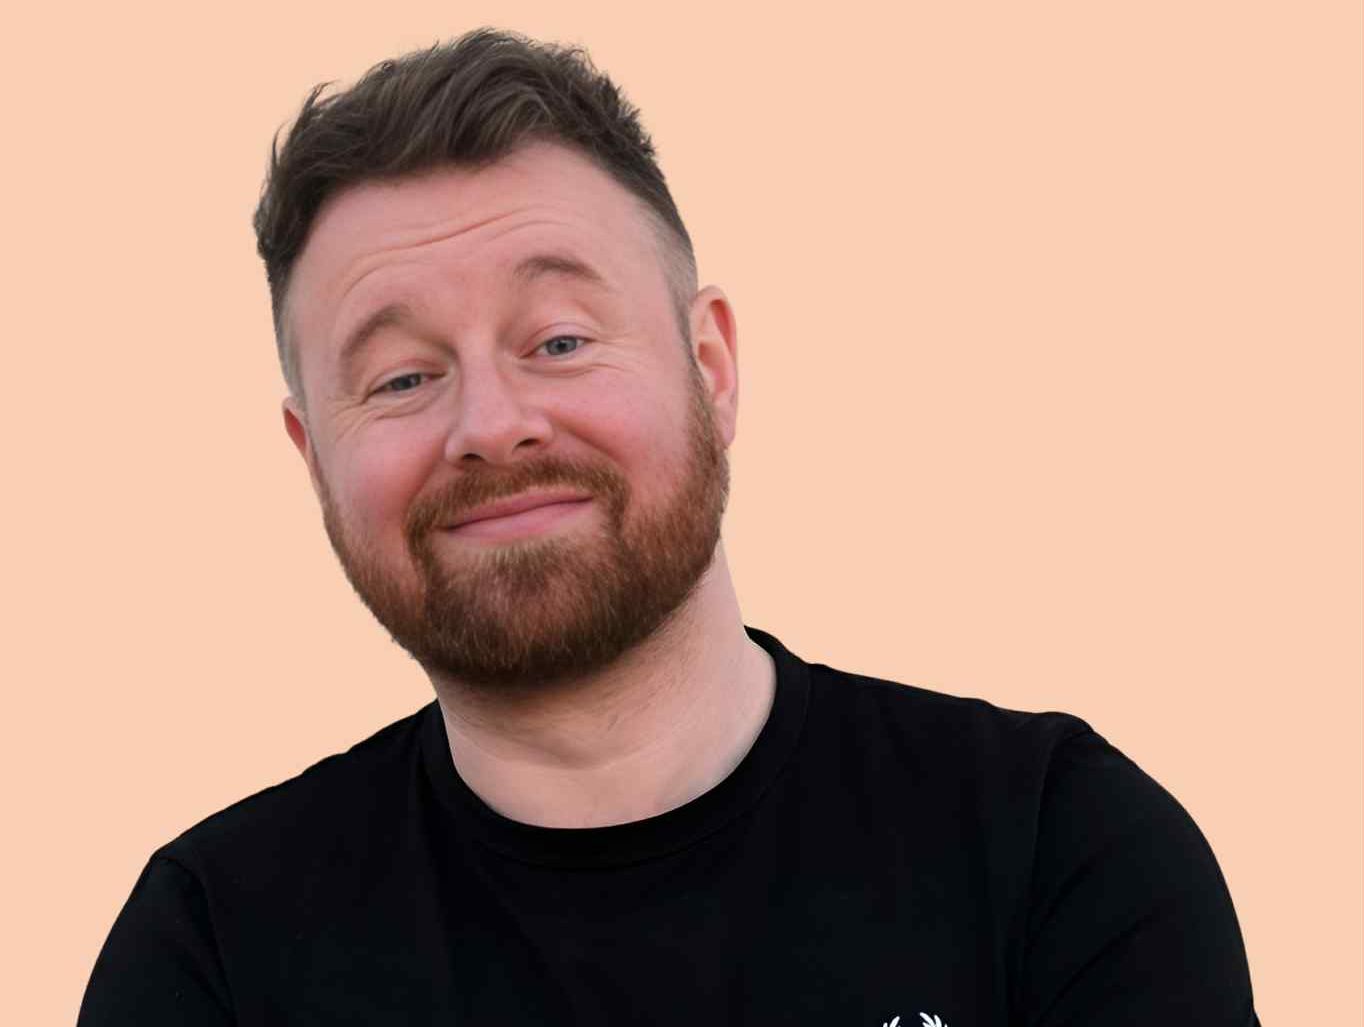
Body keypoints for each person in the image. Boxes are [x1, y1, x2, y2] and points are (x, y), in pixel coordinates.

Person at [79, 28, 1261, 1025]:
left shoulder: (1059, 851)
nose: (491, 425)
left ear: (711, 365)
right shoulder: (212, 952)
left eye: (558, 340)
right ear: (313, 459)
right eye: (399, 379)